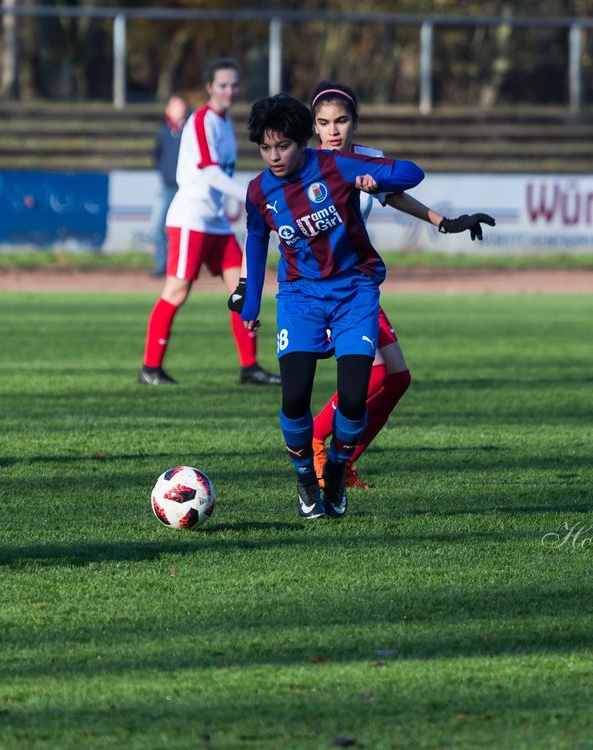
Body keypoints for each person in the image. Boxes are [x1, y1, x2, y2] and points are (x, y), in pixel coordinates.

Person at [233, 94, 424, 519]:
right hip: (300, 298)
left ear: (302, 141)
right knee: (295, 397)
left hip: (355, 292)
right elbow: (258, 238)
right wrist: (250, 304)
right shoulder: (258, 191)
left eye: (282, 146)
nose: (274, 156)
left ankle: (336, 468)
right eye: (266, 148)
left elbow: (413, 172)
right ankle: (305, 479)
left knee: (355, 399)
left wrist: (381, 181)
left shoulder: (335, 166)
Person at [307, 81, 495, 490]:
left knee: (397, 378)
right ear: (314, 127)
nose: (333, 130)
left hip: (359, 282)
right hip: (324, 287)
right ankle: (316, 444)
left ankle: (343, 461)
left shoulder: (369, 161)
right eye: (324, 123)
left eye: (341, 121)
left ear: (355, 122)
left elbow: (396, 194)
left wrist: (445, 222)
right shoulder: (306, 165)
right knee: (374, 375)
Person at [139, 58, 279, 386]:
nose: (230, 90)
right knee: (176, 290)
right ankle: (150, 368)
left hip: (214, 221)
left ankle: (250, 368)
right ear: (209, 88)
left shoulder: (225, 122)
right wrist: (251, 192)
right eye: (223, 85)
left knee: (242, 289)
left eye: (234, 85)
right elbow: (208, 170)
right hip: (192, 218)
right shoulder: (203, 120)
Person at [149, 93, 189, 277]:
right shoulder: (163, 131)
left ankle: (183, 268)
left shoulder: (191, 130)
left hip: (186, 189)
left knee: (186, 231)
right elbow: (156, 155)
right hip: (167, 187)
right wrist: (164, 172)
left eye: (180, 106)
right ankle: (161, 266)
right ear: (168, 110)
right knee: (157, 227)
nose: (178, 110)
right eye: (174, 106)